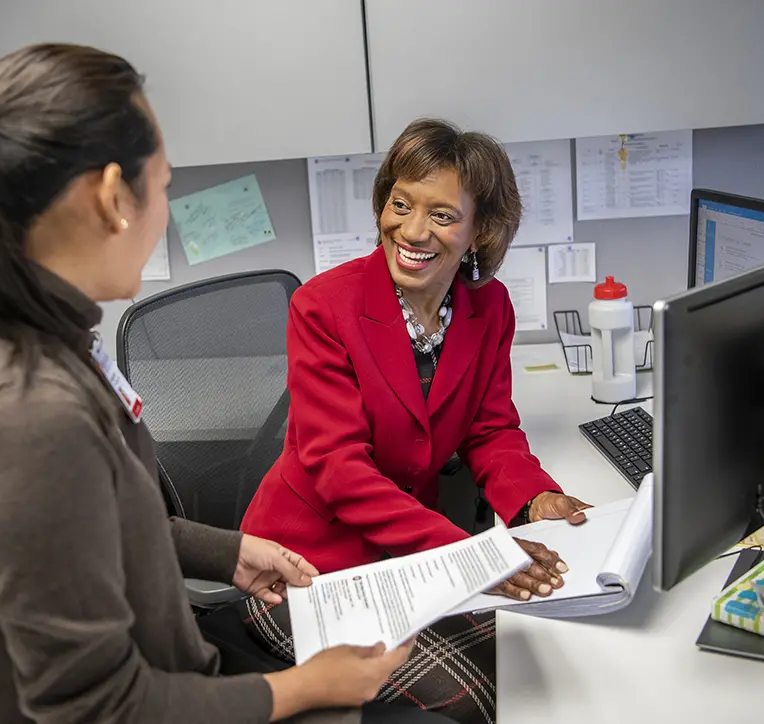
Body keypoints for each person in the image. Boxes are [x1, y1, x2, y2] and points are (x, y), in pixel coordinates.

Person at [0, 43, 457, 724]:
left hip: (174, 665)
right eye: (161, 185)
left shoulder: (10, 322)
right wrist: (309, 688)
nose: (165, 207)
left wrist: (224, 552)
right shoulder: (23, 416)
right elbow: (96, 710)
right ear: (109, 198)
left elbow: (90, 524)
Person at [239, 119, 591, 723]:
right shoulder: (323, 307)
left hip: (407, 559)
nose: (412, 230)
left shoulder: (489, 307)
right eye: (400, 204)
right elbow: (338, 467)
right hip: (303, 571)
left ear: (481, 231)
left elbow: (491, 428)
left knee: (546, 662)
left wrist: (534, 500)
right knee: (484, 699)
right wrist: (474, 557)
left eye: (443, 216)